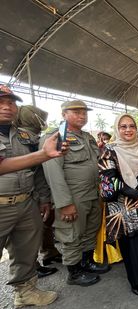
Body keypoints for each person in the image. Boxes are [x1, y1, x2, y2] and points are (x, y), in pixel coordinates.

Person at [0, 85, 59, 307]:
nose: (7, 106)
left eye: (11, 102)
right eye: (1, 102)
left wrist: (44, 198)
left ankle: (25, 292)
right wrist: (42, 154)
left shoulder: (23, 136)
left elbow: (37, 171)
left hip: (26, 201)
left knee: (26, 251)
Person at [41, 100, 110, 287]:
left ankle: (87, 262)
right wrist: (65, 203)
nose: (82, 115)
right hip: (73, 196)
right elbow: (53, 173)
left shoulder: (87, 137)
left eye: (84, 113)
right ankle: (74, 272)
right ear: (64, 114)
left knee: (90, 230)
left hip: (93, 193)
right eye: (76, 112)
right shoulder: (55, 137)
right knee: (71, 234)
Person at [99, 114, 138, 295]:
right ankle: (136, 281)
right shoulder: (109, 151)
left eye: (131, 126)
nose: (128, 130)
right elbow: (110, 181)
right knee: (132, 241)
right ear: (117, 129)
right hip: (124, 203)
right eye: (123, 126)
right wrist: (137, 194)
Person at [14, 105, 63, 278]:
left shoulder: (31, 136)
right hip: (27, 190)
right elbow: (36, 169)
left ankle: (48, 251)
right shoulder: (24, 136)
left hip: (36, 189)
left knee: (43, 223)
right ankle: (32, 266)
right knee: (29, 232)